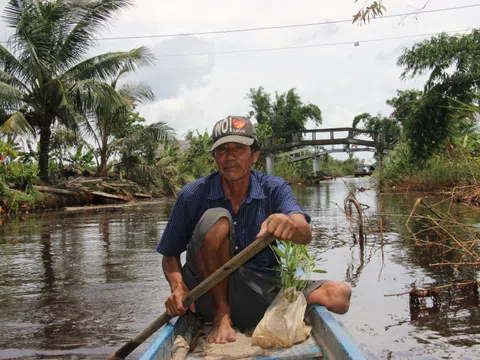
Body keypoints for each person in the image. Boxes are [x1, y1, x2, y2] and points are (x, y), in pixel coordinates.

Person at [156, 115, 351, 344]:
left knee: (339, 296)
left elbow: (304, 232)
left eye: (239, 148)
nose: (230, 156)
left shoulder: (273, 187)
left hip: (257, 287)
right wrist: (178, 288)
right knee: (217, 220)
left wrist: (289, 224)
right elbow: (169, 255)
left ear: (255, 156)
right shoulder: (192, 194)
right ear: (215, 158)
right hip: (206, 292)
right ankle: (222, 315)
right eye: (222, 150)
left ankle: (260, 313)